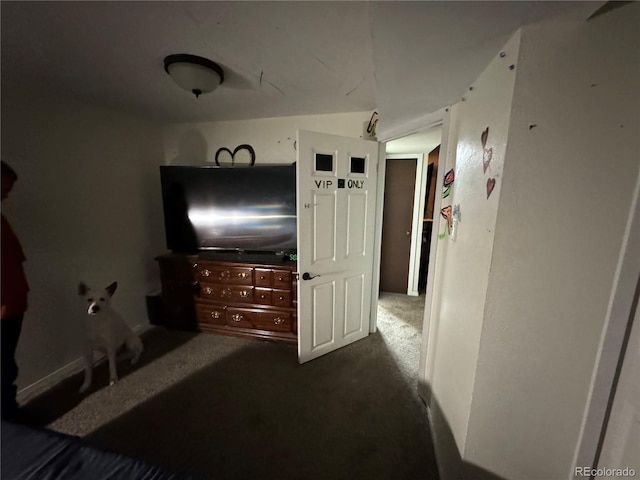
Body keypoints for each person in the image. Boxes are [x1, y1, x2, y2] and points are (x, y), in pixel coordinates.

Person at [1, 160, 29, 421]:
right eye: (6, 186)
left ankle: (12, 413)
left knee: (8, 368)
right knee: (3, 370)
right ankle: (10, 426)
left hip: (14, 306)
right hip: (4, 310)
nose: (8, 192)